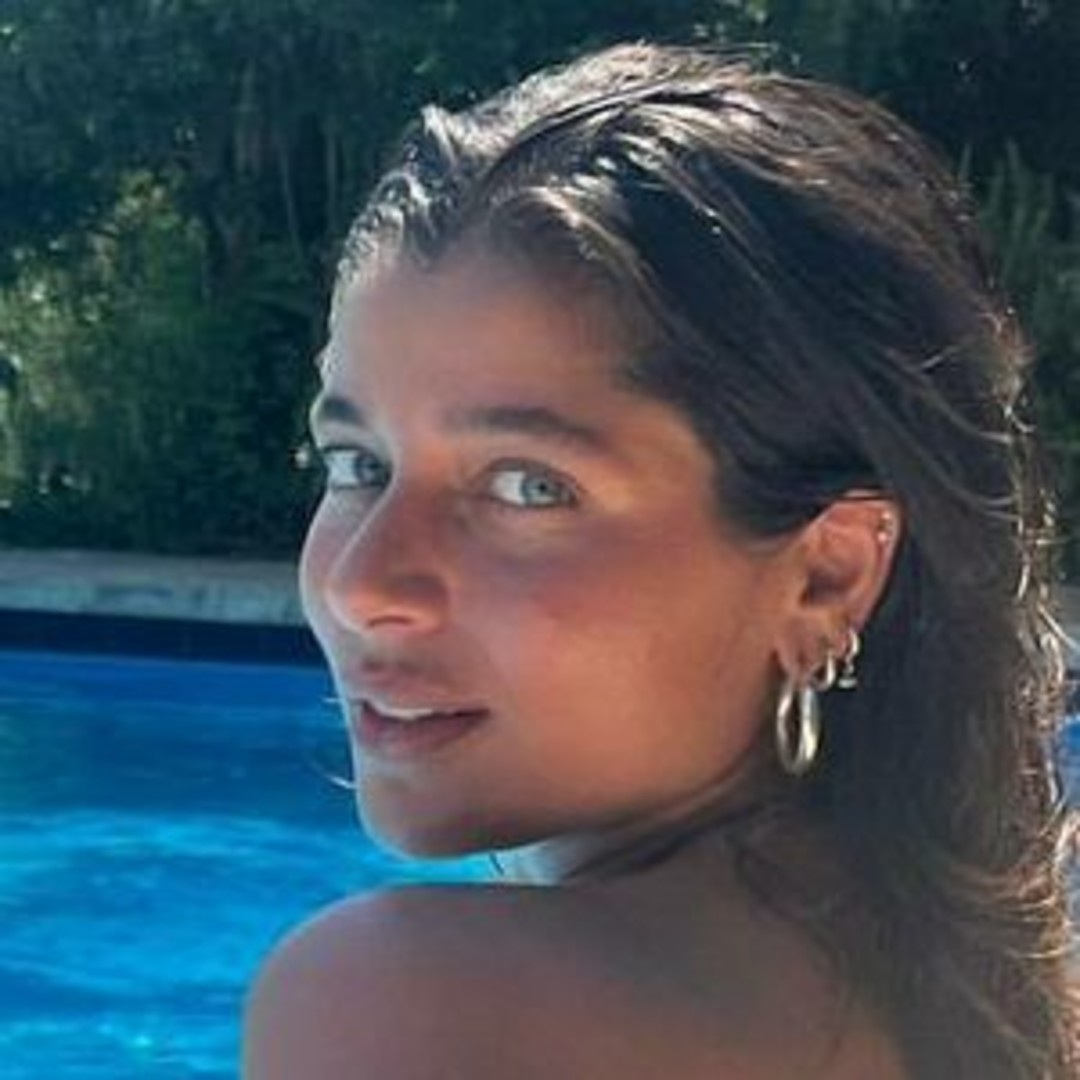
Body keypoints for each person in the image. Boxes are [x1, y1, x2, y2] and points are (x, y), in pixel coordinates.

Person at [243, 42, 1078, 1078]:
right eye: (357, 464)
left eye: (528, 487)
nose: (364, 586)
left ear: (827, 575)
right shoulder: (964, 1004)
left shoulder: (412, 1004)